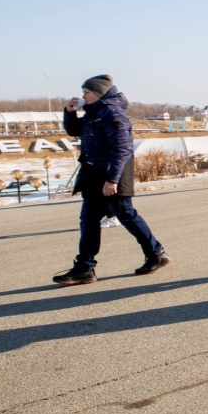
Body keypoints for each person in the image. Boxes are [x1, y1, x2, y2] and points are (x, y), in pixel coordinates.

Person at [52, 75, 170, 285]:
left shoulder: (112, 113)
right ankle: (84, 268)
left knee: (125, 214)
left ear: (99, 93)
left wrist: (112, 179)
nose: (82, 96)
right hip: (93, 173)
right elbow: (74, 130)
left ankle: (156, 253)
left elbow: (122, 148)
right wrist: (69, 112)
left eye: (86, 93)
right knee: (88, 219)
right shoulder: (94, 112)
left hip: (113, 173)